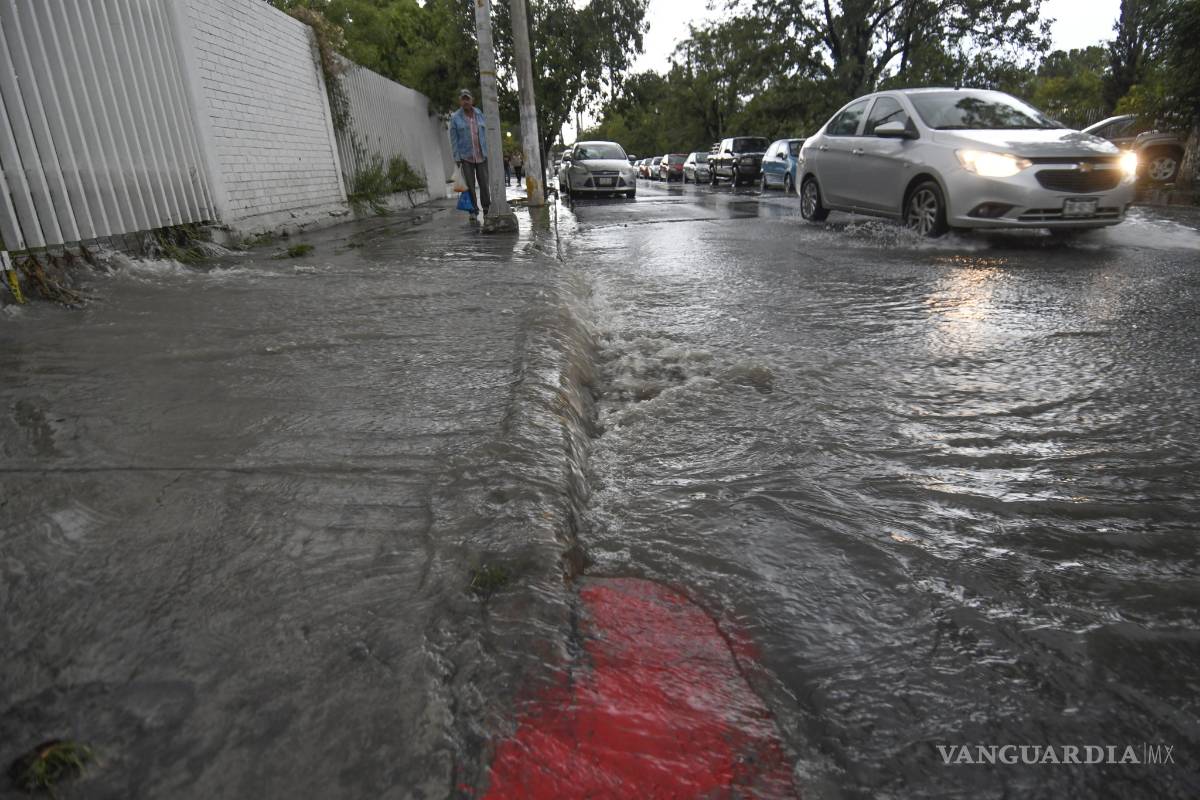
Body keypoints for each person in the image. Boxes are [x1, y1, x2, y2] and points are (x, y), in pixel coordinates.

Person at [448, 89, 490, 216]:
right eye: (463, 99)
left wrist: (488, 151)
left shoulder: (479, 114)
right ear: (460, 101)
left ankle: (487, 208)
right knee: (470, 185)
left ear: (472, 100)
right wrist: (456, 156)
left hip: (481, 155)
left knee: (484, 184)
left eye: (468, 99)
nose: (466, 101)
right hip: (466, 157)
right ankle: (473, 210)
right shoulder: (455, 118)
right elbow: (454, 139)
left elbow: (485, 134)